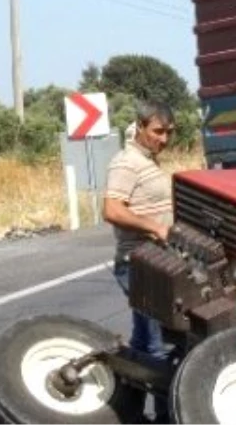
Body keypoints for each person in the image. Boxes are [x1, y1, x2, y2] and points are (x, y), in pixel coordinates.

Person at [103, 100, 176, 423]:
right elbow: (113, 210)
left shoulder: (148, 160)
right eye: (158, 131)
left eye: (169, 133)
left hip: (156, 263)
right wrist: (156, 227)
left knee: (145, 342)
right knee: (159, 346)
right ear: (140, 126)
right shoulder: (127, 162)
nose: (164, 139)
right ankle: (165, 417)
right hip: (139, 264)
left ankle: (123, 410)